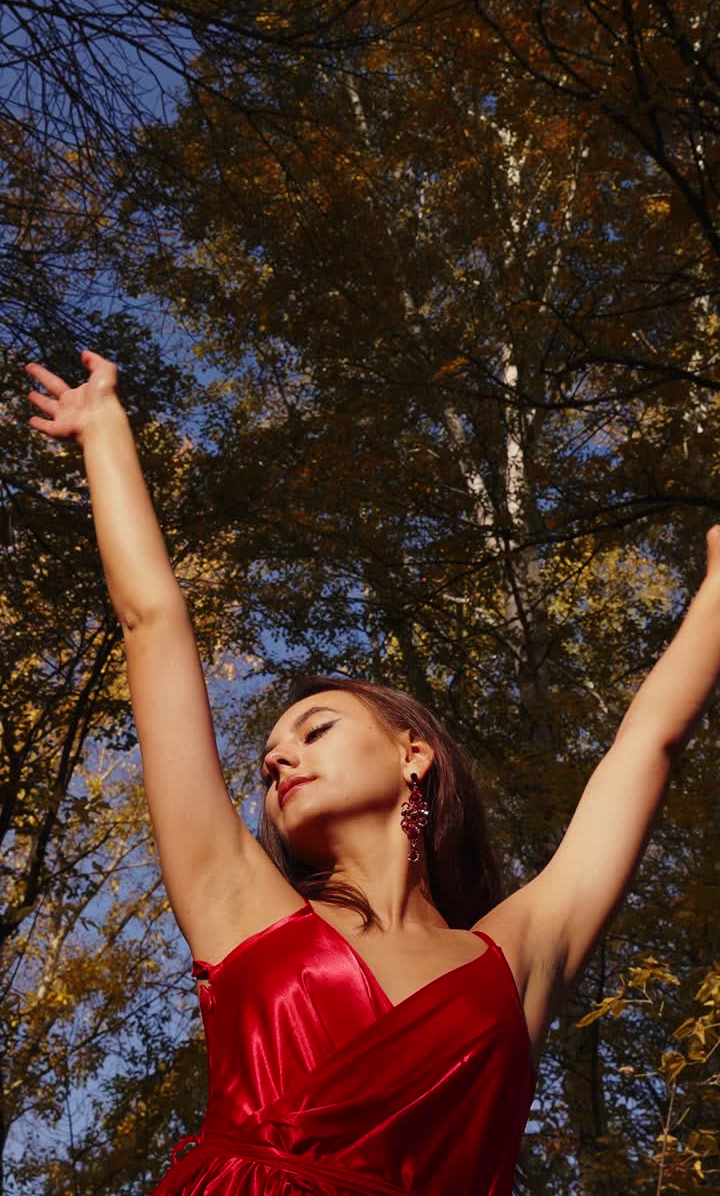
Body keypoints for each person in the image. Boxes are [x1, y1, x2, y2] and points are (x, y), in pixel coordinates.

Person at [25, 349, 720, 1196]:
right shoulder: (237, 902)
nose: (278, 755)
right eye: (271, 752)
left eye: (315, 729)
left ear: (412, 756)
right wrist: (102, 429)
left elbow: (646, 745)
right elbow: (150, 620)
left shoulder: (516, 957)